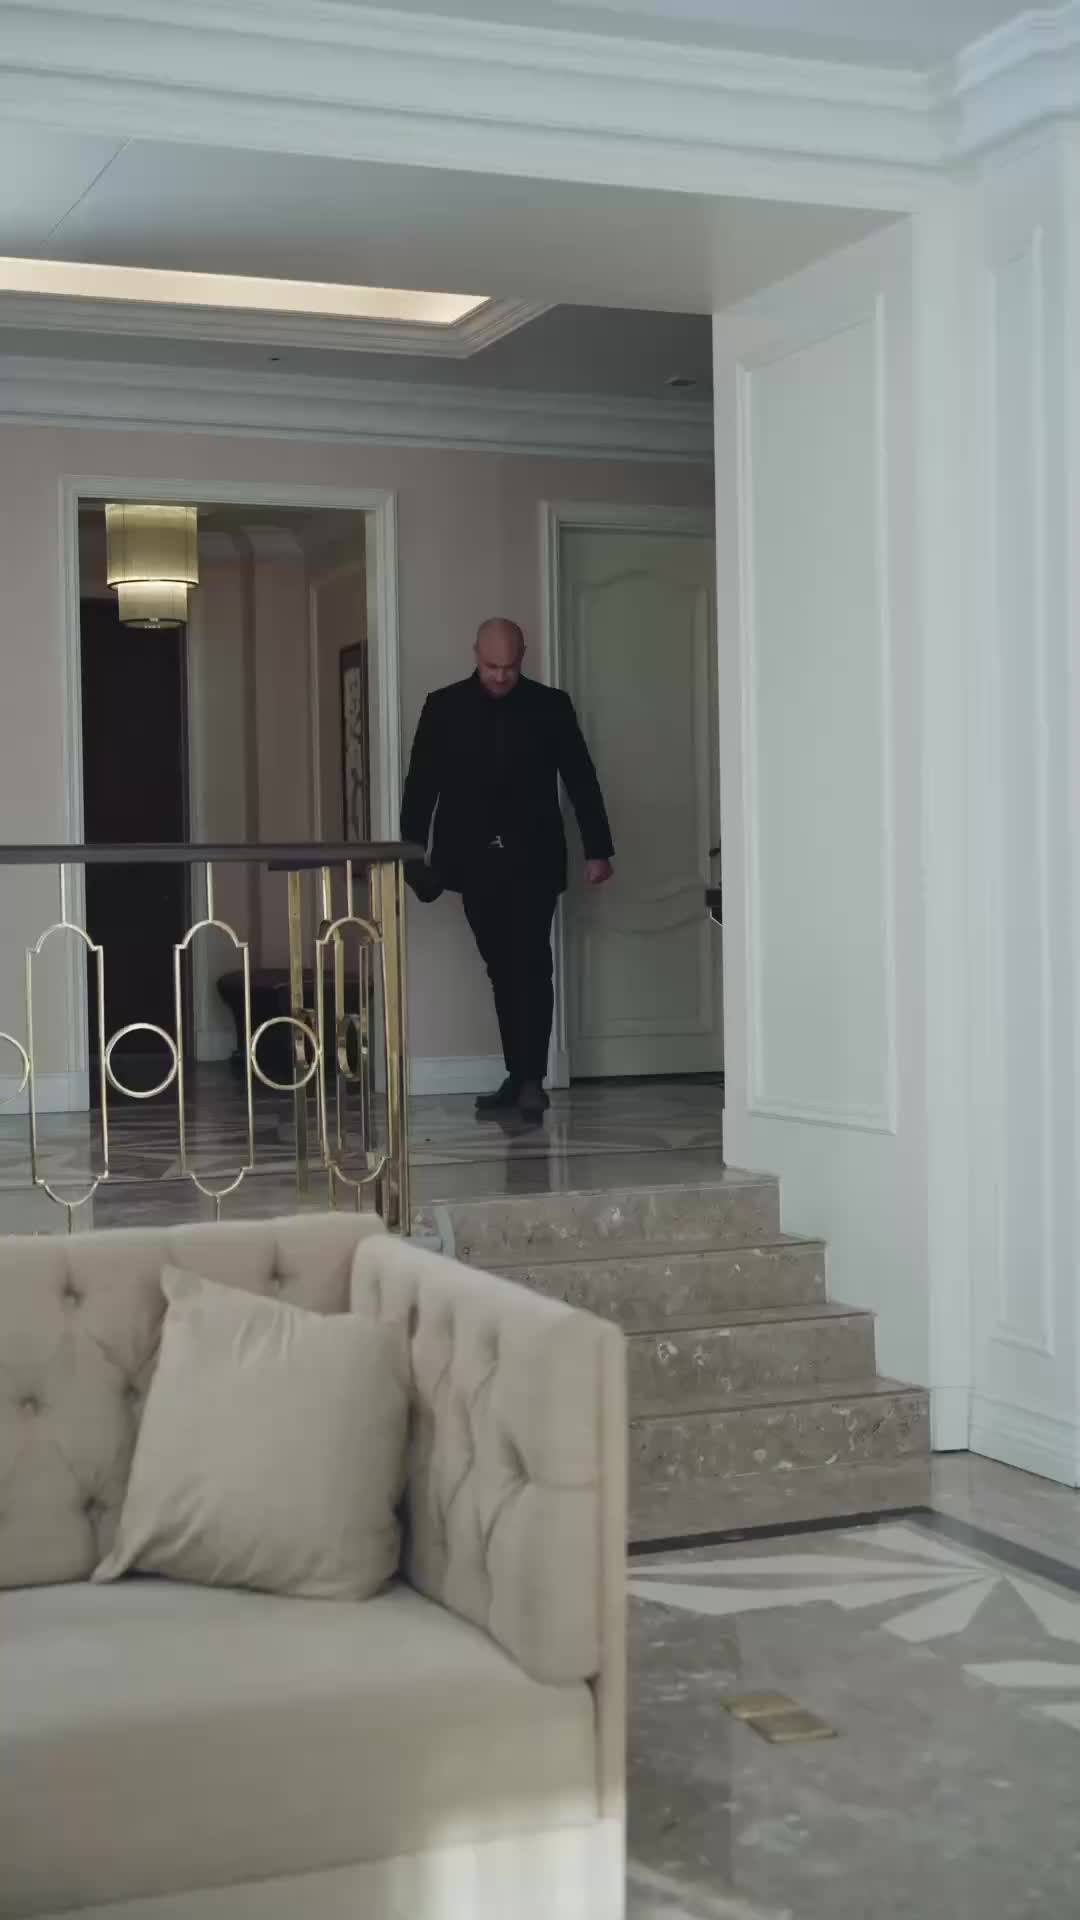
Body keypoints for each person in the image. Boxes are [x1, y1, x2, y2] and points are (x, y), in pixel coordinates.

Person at [401, 617, 614, 1121]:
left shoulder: (550, 705)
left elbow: (581, 778)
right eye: (491, 666)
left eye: (510, 667)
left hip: (534, 857)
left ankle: (531, 1080)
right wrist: (413, 855)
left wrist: (598, 850)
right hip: (471, 858)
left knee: (532, 963)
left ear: (523, 656)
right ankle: (518, 1076)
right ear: (475, 654)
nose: (500, 676)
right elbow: (421, 784)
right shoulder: (443, 706)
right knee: (501, 967)